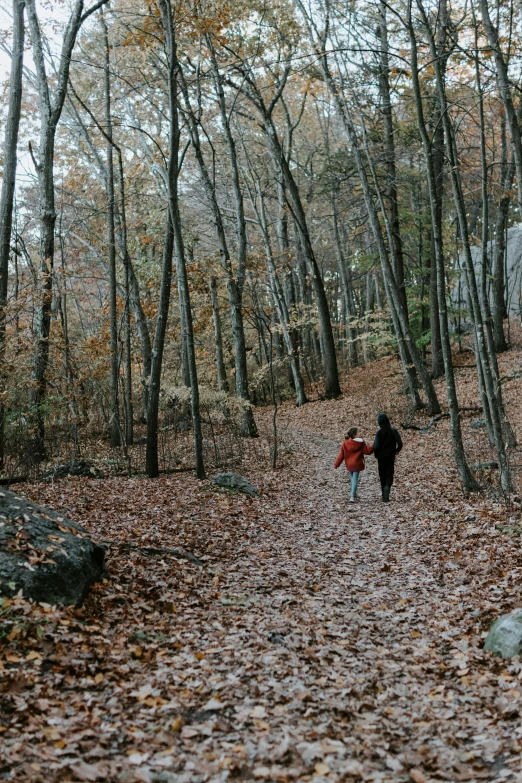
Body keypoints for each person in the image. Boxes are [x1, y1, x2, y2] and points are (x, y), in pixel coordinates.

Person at [334, 426, 374, 502]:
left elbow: (341, 455)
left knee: (352, 478)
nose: (361, 433)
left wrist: (336, 464)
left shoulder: (345, 443)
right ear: (355, 434)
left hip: (349, 464)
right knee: (355, 479)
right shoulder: (361, 443)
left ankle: (353, 493)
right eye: (359, 432)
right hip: (357, 464)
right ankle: (352, 496)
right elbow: (368, 451)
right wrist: (374, 444)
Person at [373, 413, 403, 503]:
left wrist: (376, 455)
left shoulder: (379, 433)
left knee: (382, 474)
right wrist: (397, 450)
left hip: (381, 457)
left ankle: (383, 493)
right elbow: (400, 443)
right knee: (389, 474)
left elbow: (375, 446)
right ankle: (387, 487)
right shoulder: (393, 431)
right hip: (390, 456)